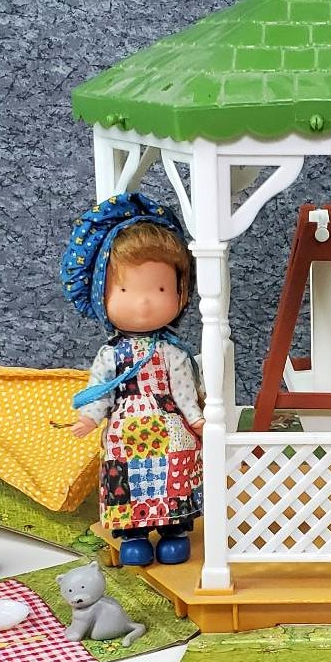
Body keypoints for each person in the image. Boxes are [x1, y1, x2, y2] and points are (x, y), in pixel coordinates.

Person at [62, 193, 203, 566]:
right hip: (125, 430)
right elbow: (100, 390)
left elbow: (184, 391)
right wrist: (90, 417)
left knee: (176, 468)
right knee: (125, 479)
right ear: (101, 293)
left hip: (169, 425)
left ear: (181, 291)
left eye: (160, 290)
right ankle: (134, 534)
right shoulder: (111, 354)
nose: (144, 303)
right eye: (125, 290)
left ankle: (173, 529)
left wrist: (195, 418)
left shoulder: (171, 352)